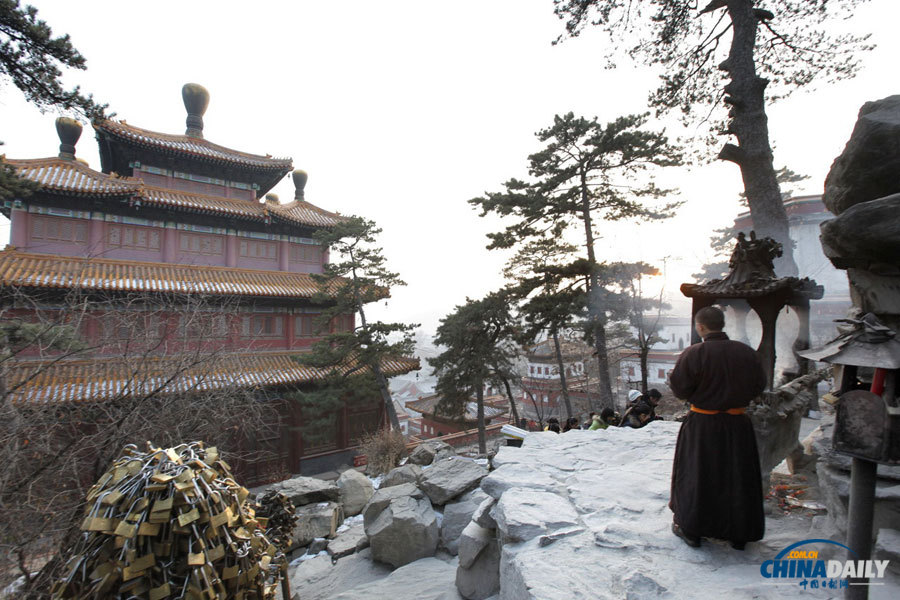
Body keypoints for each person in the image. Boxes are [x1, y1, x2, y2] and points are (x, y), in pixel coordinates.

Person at [668, 306, 767, 550]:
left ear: (700, 327)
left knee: (698, 476)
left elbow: (680, 389)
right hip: (737, 425)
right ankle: (739, 533)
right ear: (722, 325)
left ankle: (692, 529)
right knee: (737, 477)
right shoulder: (746, 353)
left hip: (703, 425)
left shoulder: (694, 354)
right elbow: (758, 386)